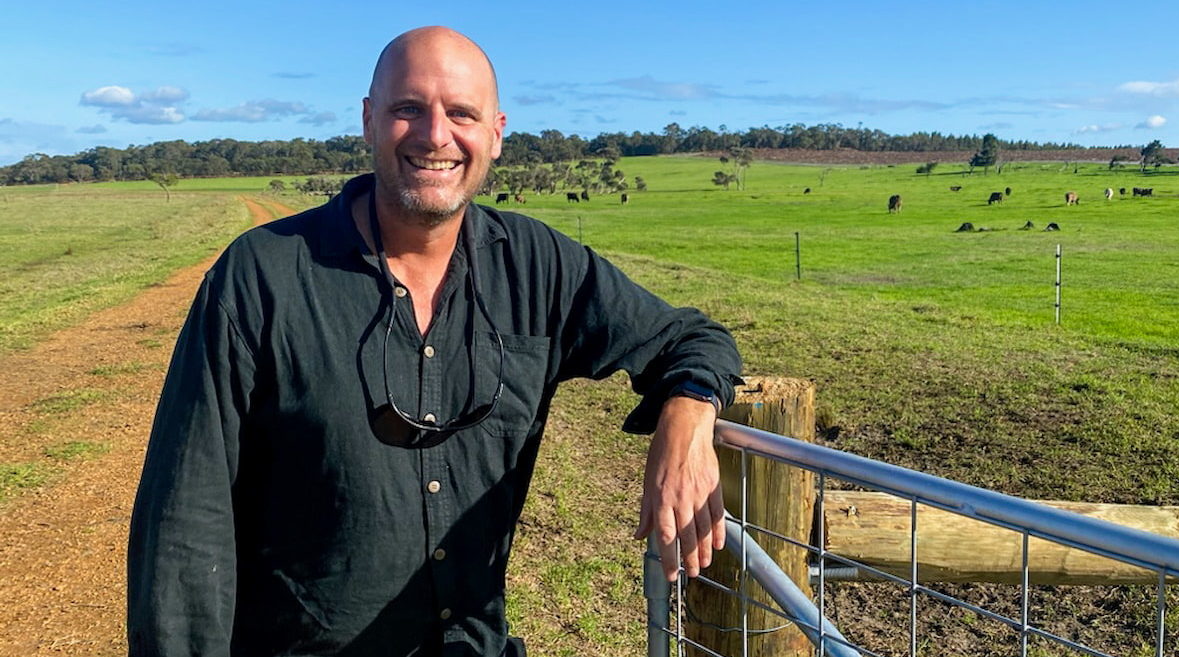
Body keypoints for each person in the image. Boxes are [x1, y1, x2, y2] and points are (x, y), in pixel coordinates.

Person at [127, 26, 742, 656]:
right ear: (369, 121)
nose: (435, 135)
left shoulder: (538, 267)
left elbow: (691, 338)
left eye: (462, 114)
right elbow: (183, 518)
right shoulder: (261, 276)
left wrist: (689, 417)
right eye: (407, 109)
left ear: (496, 133)